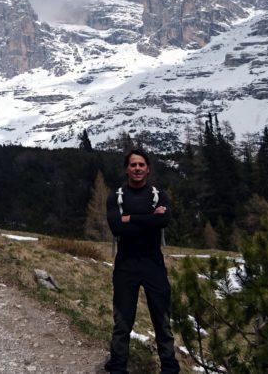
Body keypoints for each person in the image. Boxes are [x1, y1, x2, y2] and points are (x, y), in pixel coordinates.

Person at [104, 148, 180, 374]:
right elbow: (116, 227)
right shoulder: (116, 195)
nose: (137, 168)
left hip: (153, 264)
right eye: (133, 165)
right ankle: (118, 366)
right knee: (123, 320)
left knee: (162, 319)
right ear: (127, 169)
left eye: (141, 165)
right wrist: (150, 219)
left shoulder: (158, 194)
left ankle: (169, 367)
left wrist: (131, 219)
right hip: (126, 265)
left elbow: (164, 221)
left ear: (148, 169)